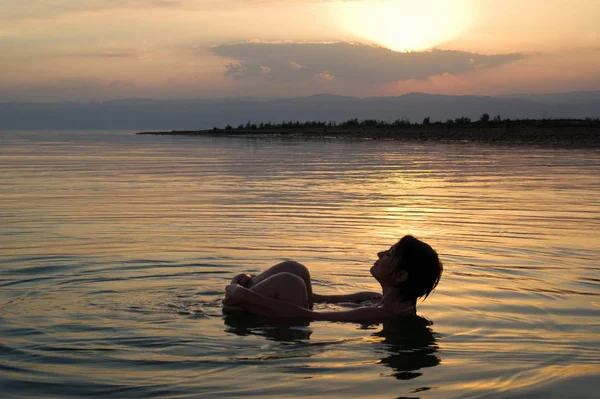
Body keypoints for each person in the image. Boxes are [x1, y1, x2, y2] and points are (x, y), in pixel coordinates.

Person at [222, 235, 442, 323]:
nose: (379, 254)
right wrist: (250, 283)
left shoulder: (380, 312)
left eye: (389, 254)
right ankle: (243, 291)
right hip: (294, 312)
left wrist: (247, 296)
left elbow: (310, 316)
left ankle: (238, 301)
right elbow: (318, 299)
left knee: (291, 282)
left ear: (401, 276)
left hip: (296, 325)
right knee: (295, 269)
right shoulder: (372, 298)